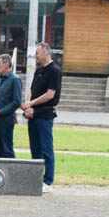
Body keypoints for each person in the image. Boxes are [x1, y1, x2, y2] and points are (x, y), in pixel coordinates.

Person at [23, 41, 60, 194]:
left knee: (46, 147)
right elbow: (32, 89)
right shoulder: (38, 70)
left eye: (38, 53)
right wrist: (28, 106)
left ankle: (48, 180)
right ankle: (36, 178)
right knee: (35, 147)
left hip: (45, 114)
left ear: (46, 52)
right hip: (33, 114)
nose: (36, 56)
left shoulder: (54, 71)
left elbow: (50, 94)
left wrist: (32, 103)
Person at [0, 53, 21, 159]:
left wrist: (1, 111)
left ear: (6, 64)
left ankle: (11, 168)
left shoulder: (14, 80)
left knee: (6, 149)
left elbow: (16, 101)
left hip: (6, 119)